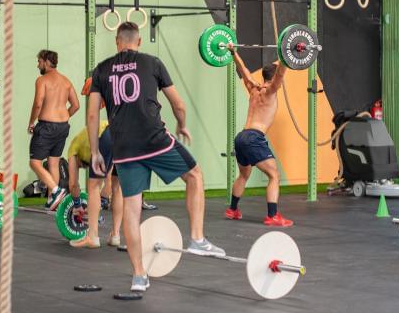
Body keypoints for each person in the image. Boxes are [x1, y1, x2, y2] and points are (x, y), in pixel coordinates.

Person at [88, 21, 224, 294]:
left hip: (123, 147)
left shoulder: (101, 69)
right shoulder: (152, 63)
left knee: (132, 208)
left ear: (117, 42)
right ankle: (197, 238)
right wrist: (182, 125)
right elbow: (178, 104)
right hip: (155, 140)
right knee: (195, 175)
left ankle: (139, 275)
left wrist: (95, 152)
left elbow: (92, 115)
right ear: (138, 41)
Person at [224, 46, 293, 227]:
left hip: (242, 136)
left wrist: (233, 52)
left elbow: (243, 71)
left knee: (243, 175)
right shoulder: (270, 92)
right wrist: (285, 59)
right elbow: (279, 76)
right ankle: (272, 216)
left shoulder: (254, 89)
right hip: (254, 137)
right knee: (274, 175)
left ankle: (232, 209)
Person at [28, 50, 79, 210]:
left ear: (45, 61)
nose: (38, 65)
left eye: (39, 62)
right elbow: (76, 105)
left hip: (46, 126)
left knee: (35, 162)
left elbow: (38, 103)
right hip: (62, 127)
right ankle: (53, 203)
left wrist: (31, 122)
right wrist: (63, 117)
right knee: (53, 163)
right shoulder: (66, 81)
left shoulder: (42, 80)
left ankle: (56, 191)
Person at [66, 123, 123, 249]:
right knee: (117, 186)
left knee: (93, 186)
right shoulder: (83, 143)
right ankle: (115, 236)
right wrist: (100, 203)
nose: (82, 167)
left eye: (80, 166)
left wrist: (77, 205)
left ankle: (93, 237)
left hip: (104, 136)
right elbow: (108, 184)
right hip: (123, 135)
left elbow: (73, 184)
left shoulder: (72, 149)